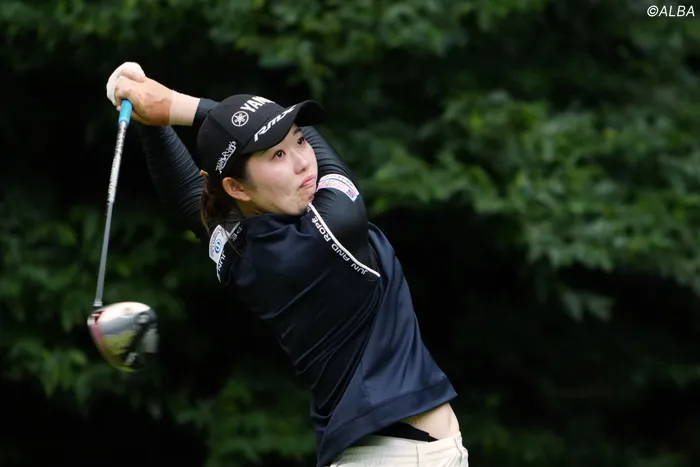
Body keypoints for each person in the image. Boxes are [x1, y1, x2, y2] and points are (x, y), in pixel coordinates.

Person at [106, 62, 469, 467]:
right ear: (236, 187)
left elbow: (190, 197)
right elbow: (326, 159)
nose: (302, 162)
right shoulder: (330, 229)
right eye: (277, 154)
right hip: (405, 455)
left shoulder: (243, 249)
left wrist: (149, 119)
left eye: (299, 141)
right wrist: (176, 105)